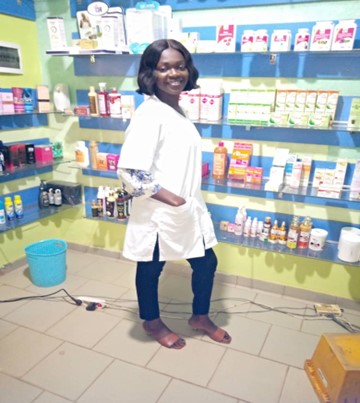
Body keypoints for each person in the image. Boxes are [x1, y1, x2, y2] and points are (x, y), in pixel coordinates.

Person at [117, 39, 231, 350]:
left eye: (179, 66)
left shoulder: (175, 109)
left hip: (187, 208)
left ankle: (200, 316)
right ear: (150, 73)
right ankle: (151, 321)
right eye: (164, 67)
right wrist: (174, 199)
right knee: (151, 268)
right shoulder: (149, 114)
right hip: (160, 211)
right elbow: (130, 173)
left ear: (188, 69)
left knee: (206, 264)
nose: (174, 73)